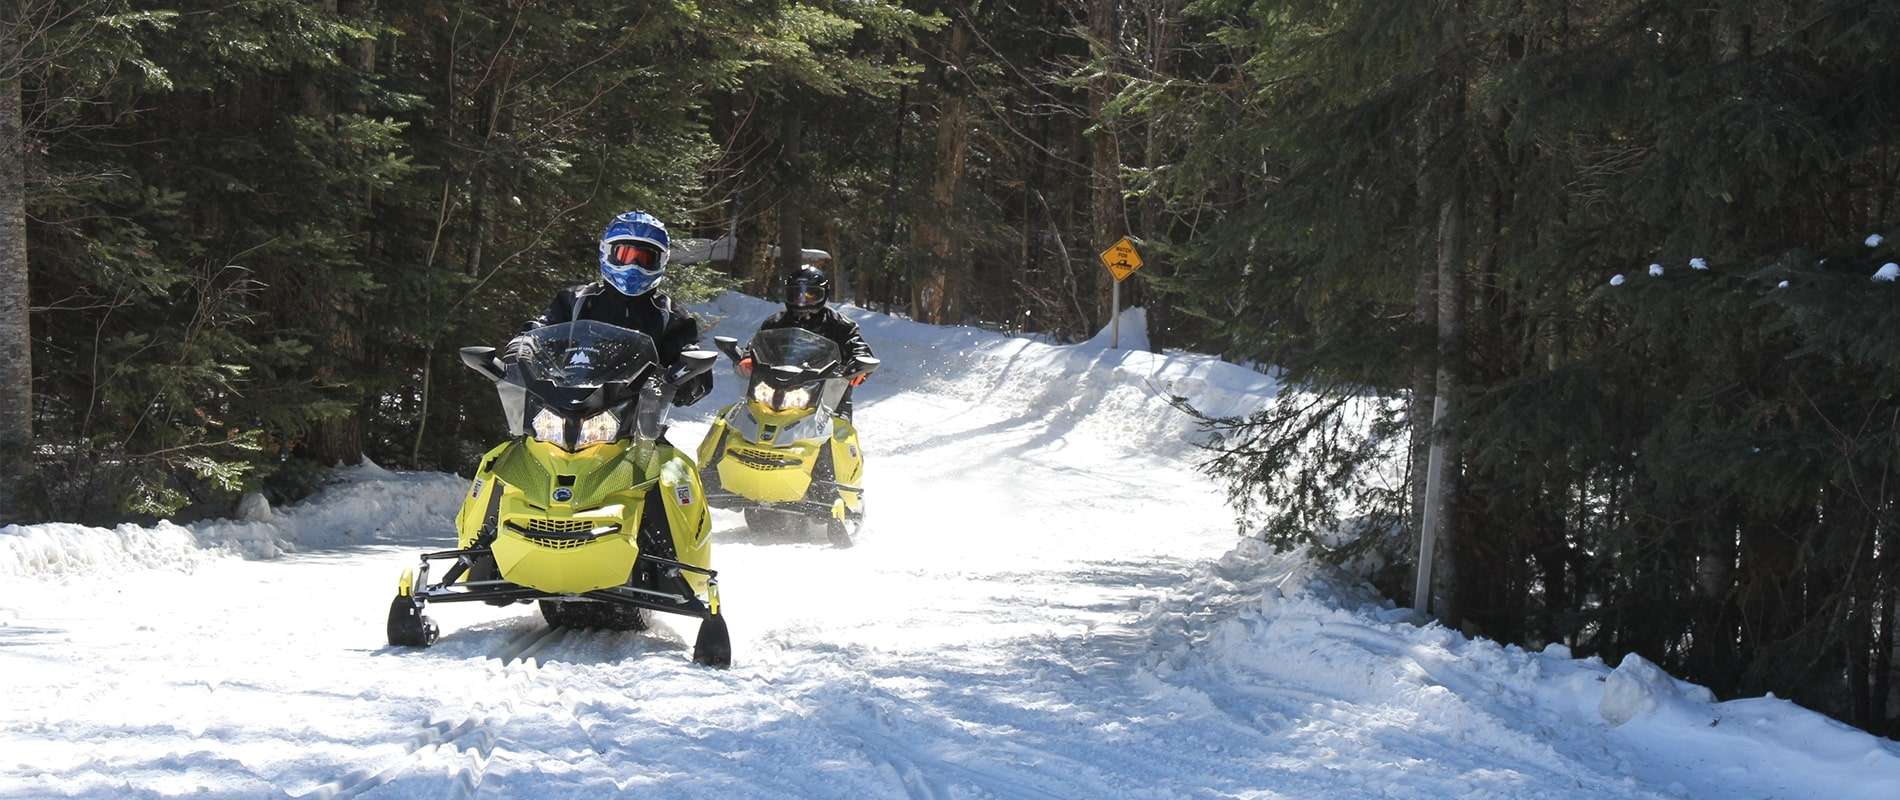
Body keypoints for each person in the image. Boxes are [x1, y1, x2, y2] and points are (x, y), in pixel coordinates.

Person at [507, 210, 711, 407]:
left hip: (637, 420)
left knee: (666, 445)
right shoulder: (575, 300)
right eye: (625, 255)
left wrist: (688, 378)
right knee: (516, 444)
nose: (634, 266)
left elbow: (694, 364)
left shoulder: (671, 315)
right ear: (606, 252)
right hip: (562, 408)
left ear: (662, 261)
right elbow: (542, 328)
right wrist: (524, 344)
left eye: (645, 259)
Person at [746, 264, 874, 418]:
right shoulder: (774, 323)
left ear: (824, 295)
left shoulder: (840, 324)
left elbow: (857, 345)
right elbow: (757, 344)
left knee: (840, 431)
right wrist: (746, 356)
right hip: (774, 389)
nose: (802, 300)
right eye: (796, 294)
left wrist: (861, 362)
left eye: (810, 295)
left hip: (828, 396)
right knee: (735, 417)